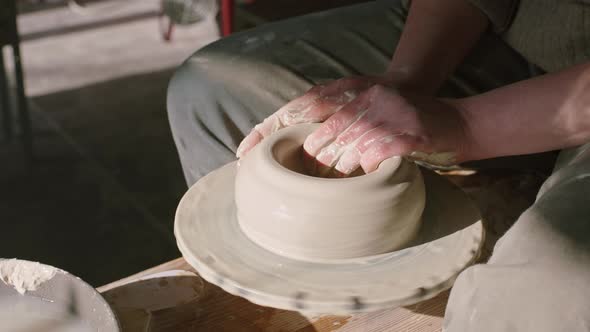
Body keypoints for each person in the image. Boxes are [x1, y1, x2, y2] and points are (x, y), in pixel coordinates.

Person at [167, 0, 590, 330]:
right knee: (209, 92)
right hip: (519, 32)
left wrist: (466, 124)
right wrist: (407, 78)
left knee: (537, 297)